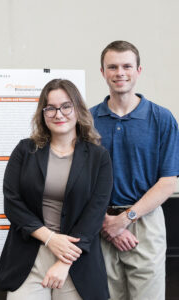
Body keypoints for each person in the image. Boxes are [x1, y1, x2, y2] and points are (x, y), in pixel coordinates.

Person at [0, 79, 113, 300]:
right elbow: (12, 203)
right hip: (28, 258)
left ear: (78, 109)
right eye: (50, 108)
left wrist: (64, 260)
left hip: (75, 261)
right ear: (42, 113)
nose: (59, 114)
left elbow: (95, 213)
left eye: (66, 106)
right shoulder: (24, 150)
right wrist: (50, 238)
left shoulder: (99, 157)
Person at [91, 40, 179, 300]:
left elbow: (167, 182)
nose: (120, 73)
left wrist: (124, 220)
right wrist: (108, 225)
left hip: (145, 223)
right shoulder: (88, 120)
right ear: (103, 72)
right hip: (100, 225)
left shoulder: (162, 119)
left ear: (139, 70)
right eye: (113, 67)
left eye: (127, 66)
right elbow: (81, 181)